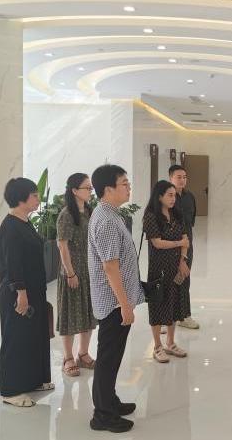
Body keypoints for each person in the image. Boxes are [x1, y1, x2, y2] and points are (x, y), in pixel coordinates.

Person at [88, 164, 144, 433]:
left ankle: (109, 401)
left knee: (112, 356)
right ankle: (103, 415)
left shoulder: (110, 213)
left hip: (115, 301)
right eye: (124, 183)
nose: (128, 187)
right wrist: (124, 305)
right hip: (113, 303)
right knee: (108, 358)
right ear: (108, 189)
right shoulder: (107, 220)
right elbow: (110, 266)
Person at [0, 177, 53, 407]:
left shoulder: (25, 221)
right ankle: (11, 391)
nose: (38, 199)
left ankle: (32, 381)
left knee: (34, 337)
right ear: (21, 199)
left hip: (34, 291)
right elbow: (13, 264)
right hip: (18, 293)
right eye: (34, 195)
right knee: (16, 339)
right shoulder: (10, 226)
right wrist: (21, 293)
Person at [143, 180, 191, 363]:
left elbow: (186, 239)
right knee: (157, 305)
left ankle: (170, 343)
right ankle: (157, 346)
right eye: (169, 195)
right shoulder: (151, 217)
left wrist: (183, 260)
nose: (173, 199)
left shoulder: (177, 214)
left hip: (176, 267)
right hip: (159, 269)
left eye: (174, 195)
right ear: (159, 196)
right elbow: (157, 243)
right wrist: (179, 243)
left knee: (174, 304)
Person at [56, 173, 98, 377]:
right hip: (72, 271)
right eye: (86, 188)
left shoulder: (90, 212)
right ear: (74, 190)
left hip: (89, 270)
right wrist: (70, 273)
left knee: (88, 313)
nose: (90, 191)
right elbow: (62, 247)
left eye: (91, 188)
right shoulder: (66, 215)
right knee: (70, 315)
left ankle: (83, 353)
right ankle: (68, 357)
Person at [169, 164, 199, 330]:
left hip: (187, 244)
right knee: (170, 281)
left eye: (184, 177)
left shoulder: (190, 197)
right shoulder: (166, 197)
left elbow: (190, 222)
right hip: (170, 246)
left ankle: (184, 316)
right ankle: (167, 318)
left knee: (184, 279)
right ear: (171, 178)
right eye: (178, 177)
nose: (182, 180)